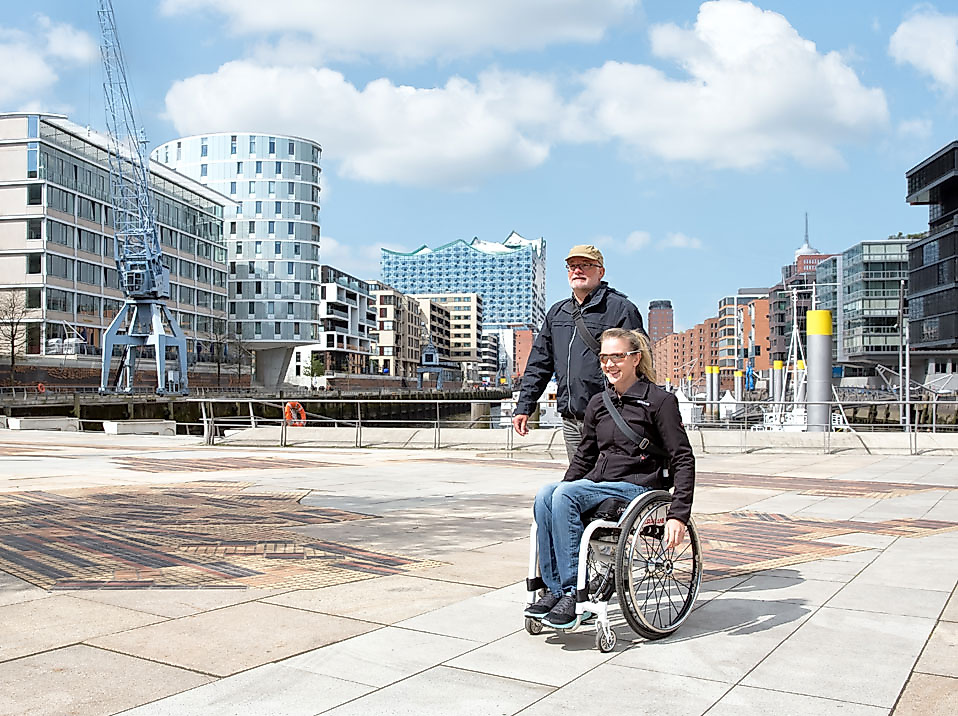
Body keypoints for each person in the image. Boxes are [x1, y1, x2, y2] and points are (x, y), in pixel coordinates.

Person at [525, 328, 695, 629]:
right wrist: (563, 489)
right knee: (546, 494)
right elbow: (585, 456)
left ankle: (573, 595)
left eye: (617, 356)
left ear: (635, 359)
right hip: (600, 485)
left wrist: (678, 514)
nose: (609, 364)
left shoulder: (659, 401)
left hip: (638, 489)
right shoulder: (598, 403)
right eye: (604, 357)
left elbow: (683, 458)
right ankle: (555, 589)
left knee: (565, 495)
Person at [512, 245, 645, 461]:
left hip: (610, 416)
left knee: (611, 480)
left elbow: (640, 361)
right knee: (579, 483)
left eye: (586, 265)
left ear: (601, 271)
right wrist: (524, 406)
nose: (577, 270)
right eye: (572, 266)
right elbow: (540, 364)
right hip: (571, 420)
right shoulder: (557, 313)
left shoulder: (620, 309)